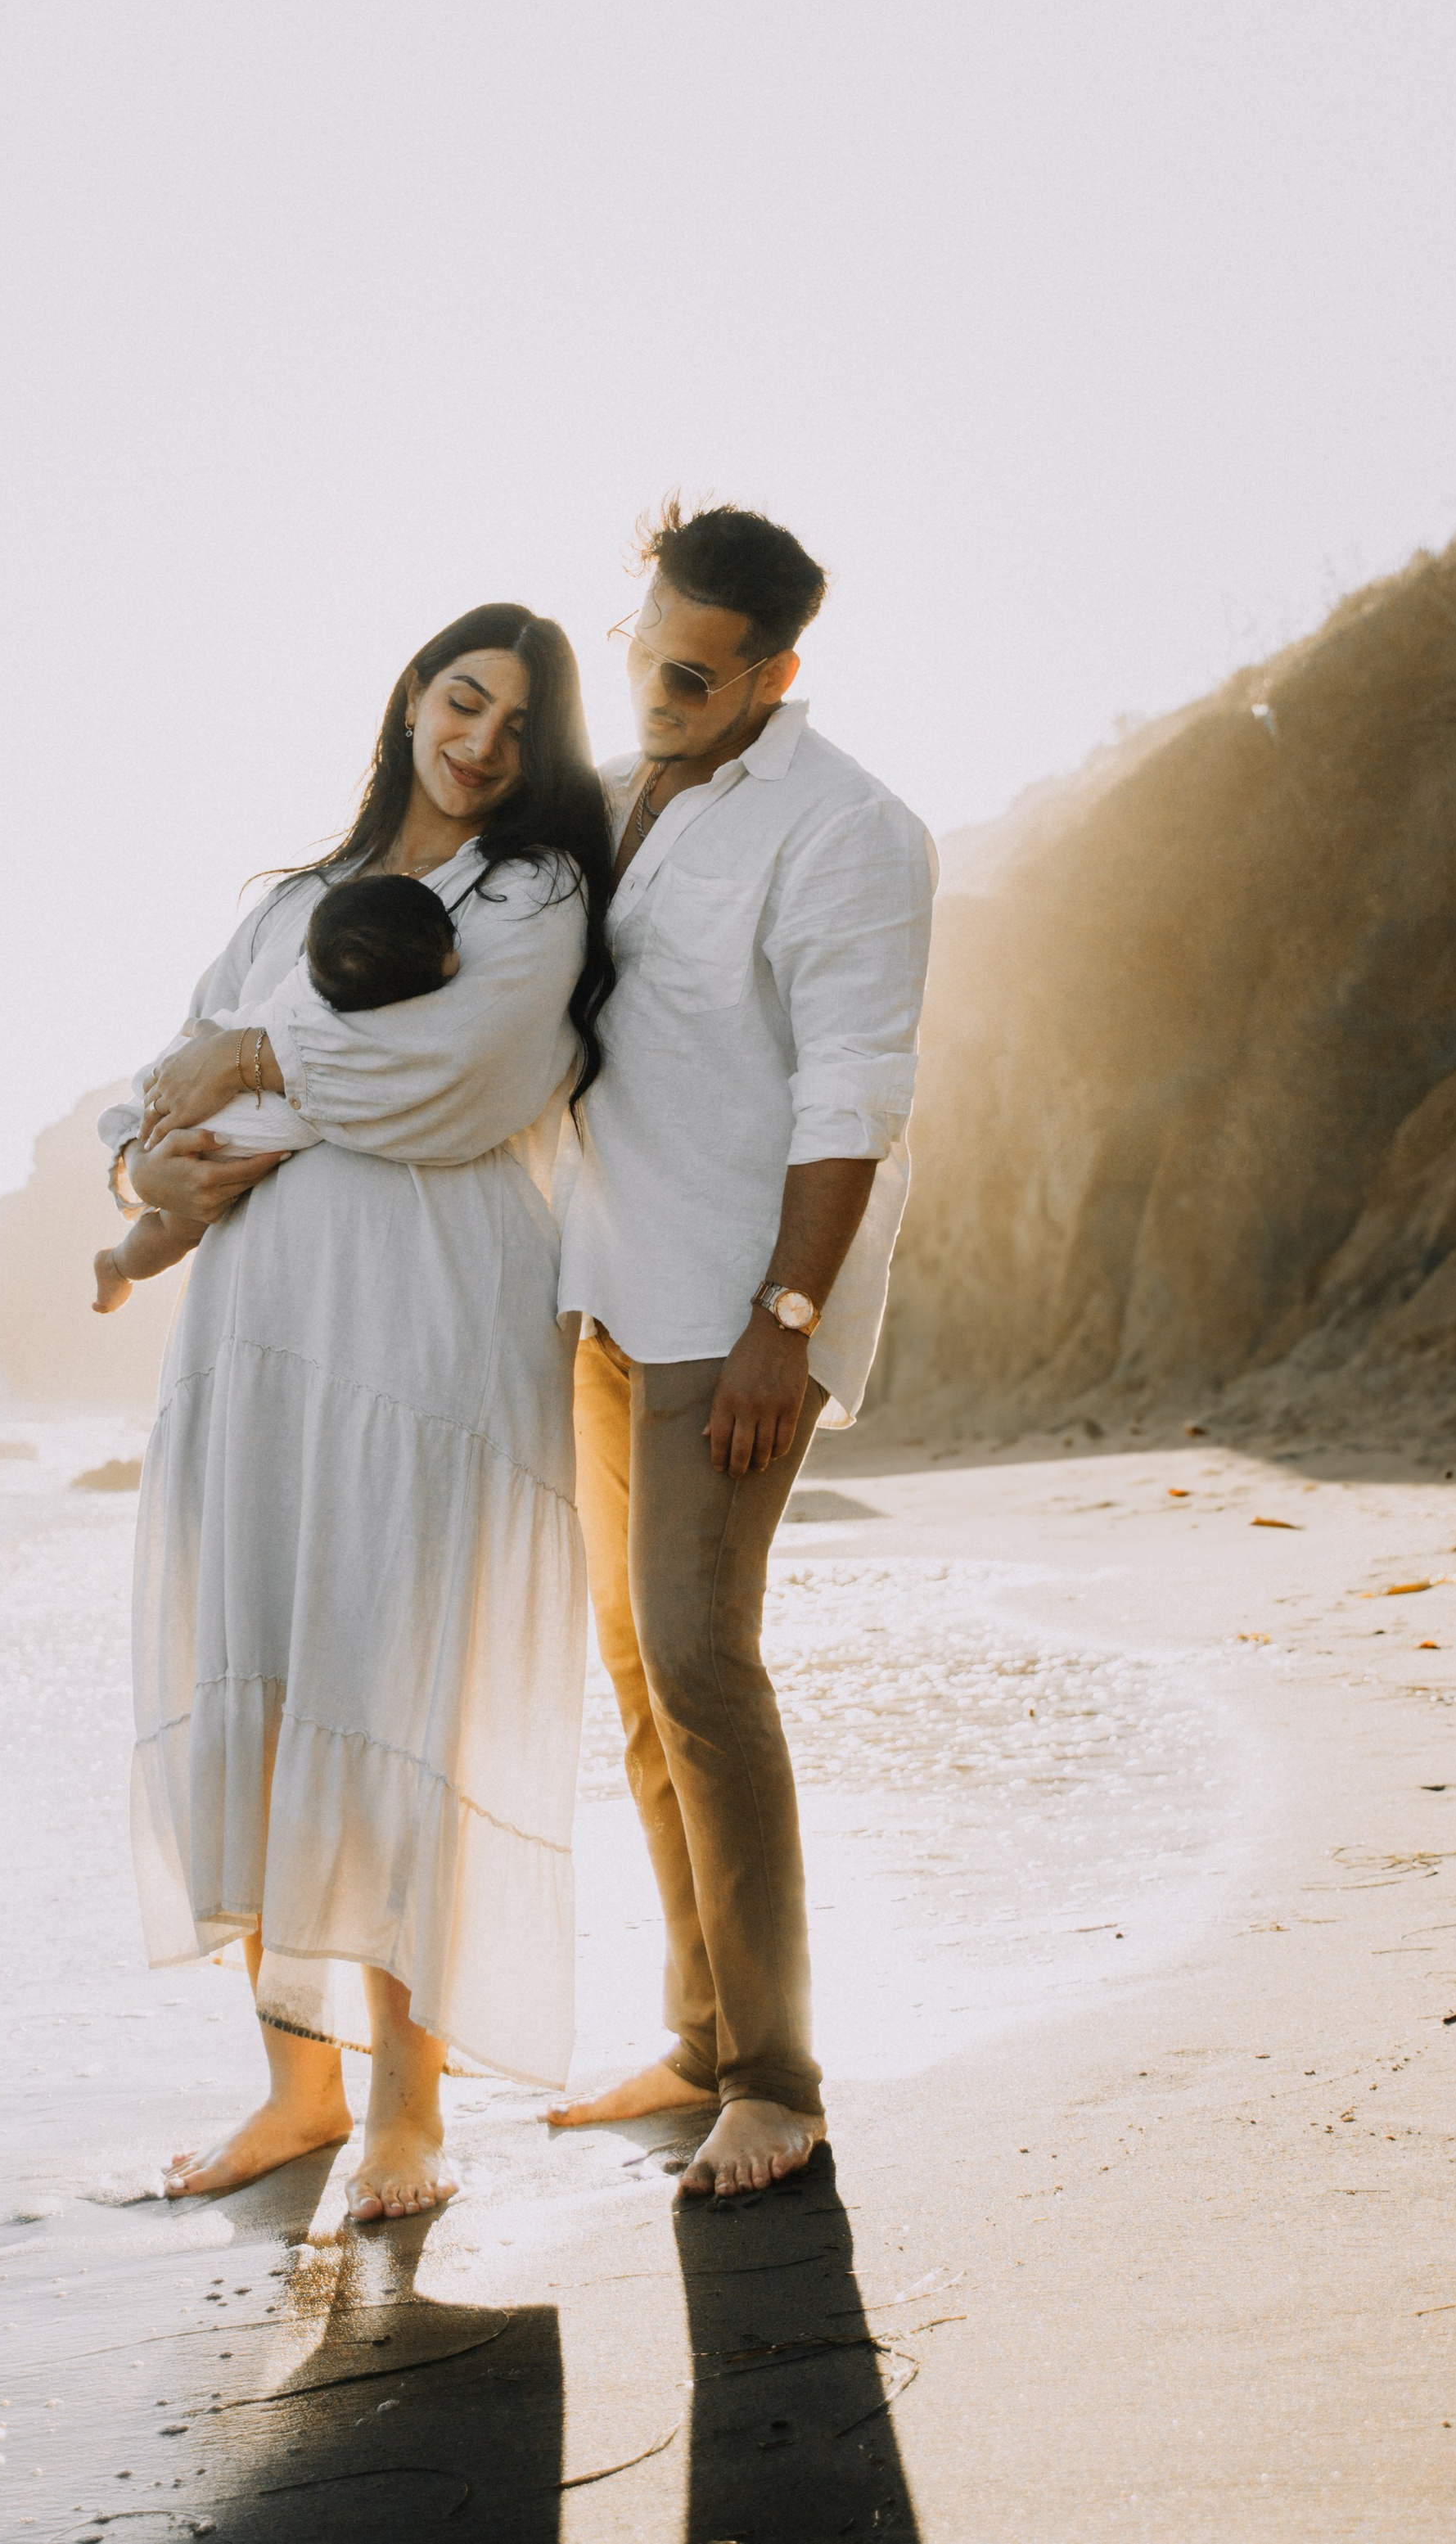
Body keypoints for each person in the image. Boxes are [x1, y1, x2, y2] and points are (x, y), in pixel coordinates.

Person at [110, 606, 615, 2220]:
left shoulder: (534, 895)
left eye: (518, 726)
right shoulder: (283, 906)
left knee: (401, 1696)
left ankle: (409, 2109)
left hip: (427, 1336)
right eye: (460, 699)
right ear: (410, 698)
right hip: (254, 1336)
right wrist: (142, 1165)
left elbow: (455, 1079)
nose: (480, 741)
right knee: (254, 1672)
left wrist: (248, 1064)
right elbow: (157, 1084)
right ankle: (294, 2090)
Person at [548, 502, 935, 2201]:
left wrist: (787, 1323)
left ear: (776, 671)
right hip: (602, 1300)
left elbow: (852, 1087)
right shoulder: (626, 791)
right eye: (642, 650)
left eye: (694, 672)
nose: (655, 686)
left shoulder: (849, 832)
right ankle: (698, 2034)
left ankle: (775, 2079)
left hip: (733, 1318)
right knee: (639, 1683)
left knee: (705, 1670)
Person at [88, 877, 461, 1314]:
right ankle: (117, 1265)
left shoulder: (310, 976)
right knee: (175, 1232)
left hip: (195, 1063)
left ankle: (117, 1262)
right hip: (204, 1142)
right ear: (447, 965)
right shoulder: (366, 1043)